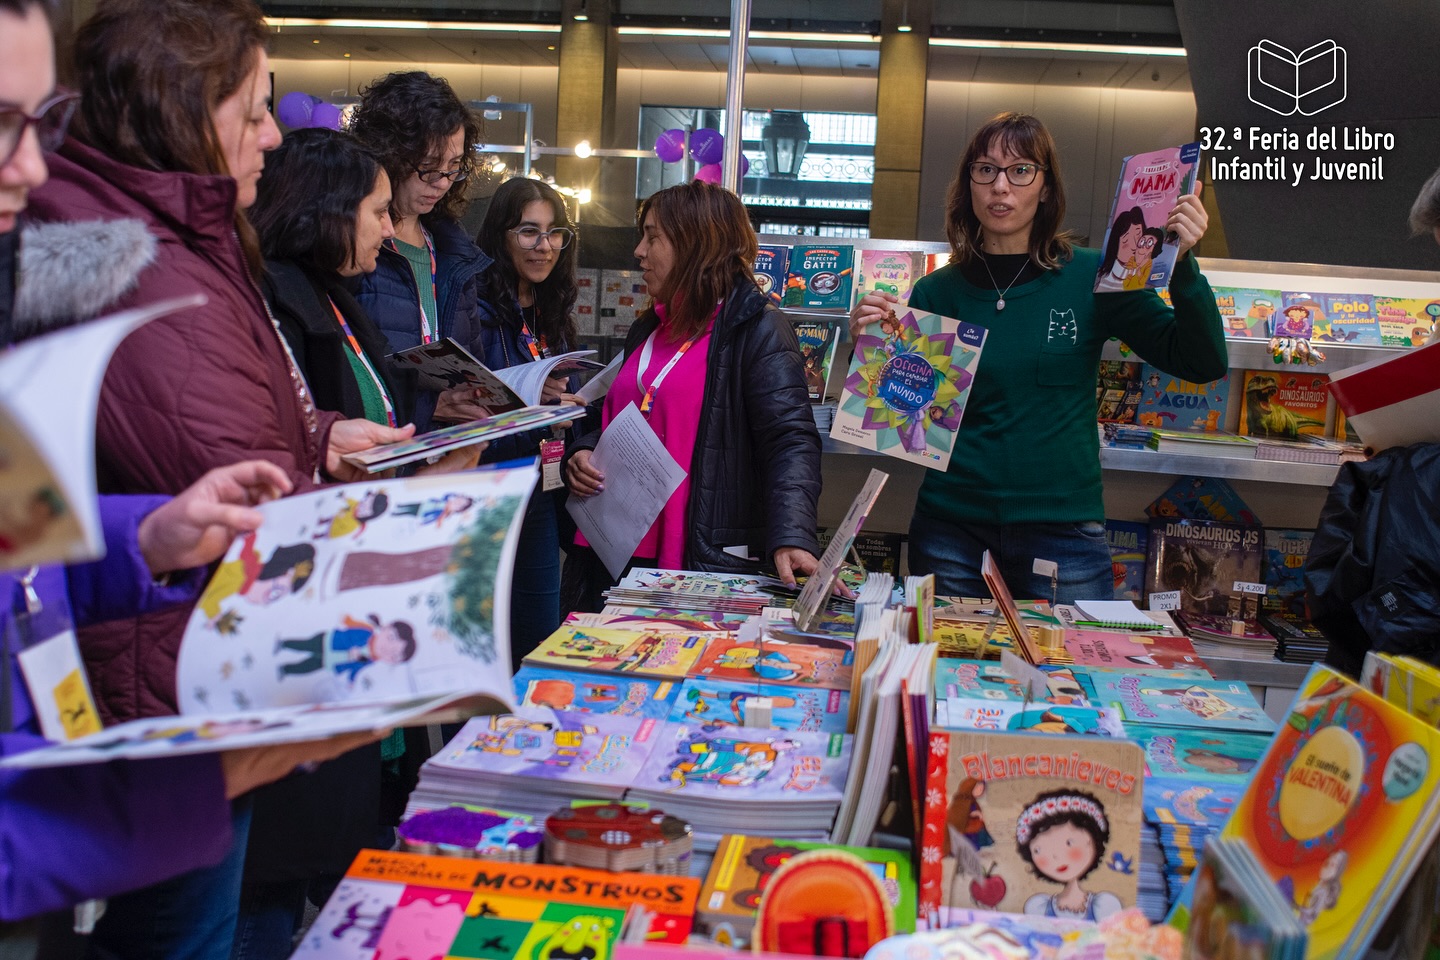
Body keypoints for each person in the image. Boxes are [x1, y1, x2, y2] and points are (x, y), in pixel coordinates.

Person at [20, 1, 416, 956]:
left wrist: (315, 436)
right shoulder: (134, 258)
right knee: (185, 928)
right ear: (181, 114)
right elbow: (206, 444)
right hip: (173, 664)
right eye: (253, 112)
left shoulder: (190, 230)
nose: (275, 137)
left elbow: (204, 438)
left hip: (175, 636)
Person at [851, 112, 1226, 603]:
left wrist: (1181, 266)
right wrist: (875, 354)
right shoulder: (936, 292)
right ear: (969, 185)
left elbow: (1201, 362)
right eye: (985, 170)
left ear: (1046, 188)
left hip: (1062, 532)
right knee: (943, 674)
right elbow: (905, 422)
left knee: (1064, 677)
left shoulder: (1097, 277)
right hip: (951, 530)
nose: (1000, 187)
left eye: (1020, 170)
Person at [563, 180, 822, 611]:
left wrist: (792, 534)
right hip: (611, 548)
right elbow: (620, 414)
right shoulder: (647, 328)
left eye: (653, 236)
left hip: (694, 557)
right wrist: (585, 450)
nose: (638, 251)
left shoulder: (756, 329)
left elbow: (790, 439)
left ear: (695, 244)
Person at [472, 177, 586, 659]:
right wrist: (532, 408)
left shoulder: (551, 309)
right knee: (482, 649)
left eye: (554, 232)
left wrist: (572, 416)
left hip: (540, 490)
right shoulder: (471, 308)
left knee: (539, 642)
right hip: (483, 494)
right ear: (501, 234)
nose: (544, 247)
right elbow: (460, 409)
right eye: (528, 232)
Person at [349, 70, 496, 430]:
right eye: (429, 169)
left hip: (446, 457)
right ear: (389, 154)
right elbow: (343, 381)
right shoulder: (353, 246)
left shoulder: (454, 250)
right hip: (381, 455)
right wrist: (427, 405)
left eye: (454, 168)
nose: (442, 183)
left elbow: (475, 366)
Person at [251, 127, 416, 431]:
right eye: (380, 212)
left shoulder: (331, 291)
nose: (389, 230)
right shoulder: (269, 305)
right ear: (330, 213)